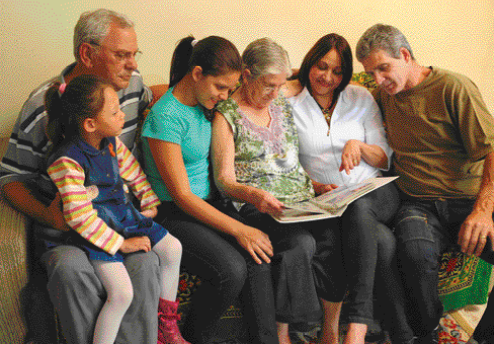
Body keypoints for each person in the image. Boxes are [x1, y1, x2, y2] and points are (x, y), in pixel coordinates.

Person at [0, 9, 161, 343]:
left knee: (146, 263)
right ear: (87, 54)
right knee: (69, 268)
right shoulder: (40, 109)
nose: (132, 65)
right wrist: (48, 215)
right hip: (68, 230)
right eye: (121, 55)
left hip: (118, 219)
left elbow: (159, 96)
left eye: (135, 55)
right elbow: (10, 181)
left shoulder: (131, 86)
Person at [356, 23, 494, 344]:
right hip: (417, 203)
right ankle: (426, 335)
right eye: (370, 73)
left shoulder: (453, 88)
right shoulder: (382, 96)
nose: (377, 80)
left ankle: (486, 339)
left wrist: (483, 212)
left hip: (468, 202)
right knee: (415, 255)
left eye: (383, 68)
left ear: (405, 54)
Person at [140, 35, 283, 344]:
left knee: (258, 258)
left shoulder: (204, 104)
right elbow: (182, 195)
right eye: (220, 87)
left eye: (230, 89)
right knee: (230, 270)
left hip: (210, 205)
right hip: (173, 213)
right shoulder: (165, 117)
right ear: (196, 74)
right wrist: (239, 230)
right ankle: (192, 337)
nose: (225, 96)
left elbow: (276, 83)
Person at [212, 37, 345, 344]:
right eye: (269, 85)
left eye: (280, 85)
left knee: (335, 232)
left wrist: (317, 186)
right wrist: (256, 196)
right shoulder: (226, 114)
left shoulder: (282, 105)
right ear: (246, 76)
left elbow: (289, 164)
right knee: (299, 244)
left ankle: (330, 330)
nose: (276, 93)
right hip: (256, 207)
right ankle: (283, 333)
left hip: (301, 202)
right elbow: (224, 181)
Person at [283, 33, 413, 344]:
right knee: (377, 240)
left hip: (373, 191)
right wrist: (313, 185)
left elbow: (384, 158)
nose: (327, 77)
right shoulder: (290, 102)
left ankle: (356, 327)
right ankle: (380, 331)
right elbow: (284, 158)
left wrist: (358, 145)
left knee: (358, 209)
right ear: (309, 63)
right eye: (321, 67)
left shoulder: (360, 97)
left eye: (338, 71)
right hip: (326, 199)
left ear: (347, 75)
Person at [44, 74, 188, 344]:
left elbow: (133, 173)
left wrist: (147, 200)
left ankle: (165, 326)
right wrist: (121, 244)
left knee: (173, 248)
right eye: (114, 112)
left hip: (124, 216)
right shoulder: (66, 161)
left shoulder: (111, 142)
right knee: (121, 294)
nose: (123, 116)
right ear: (90, 123)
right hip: (96, 231)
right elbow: (79, 217)